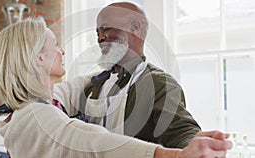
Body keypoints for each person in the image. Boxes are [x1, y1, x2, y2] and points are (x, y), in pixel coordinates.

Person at [0, 17, 232, 158]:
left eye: (106, 29)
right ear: (38, 59)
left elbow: (180, 127)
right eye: (54, 45)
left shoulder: (41, 101)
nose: (99, 38)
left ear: (135, 30)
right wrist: (174, 156)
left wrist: (117, 66)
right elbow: (92, 143)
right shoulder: (36, 113)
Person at [53, 2, 201, 148]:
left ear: (135, 27)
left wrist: (196, 146)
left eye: (106, 29)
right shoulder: (94, 84)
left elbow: (182, 130)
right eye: (97, 32)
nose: (100, 38)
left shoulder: (159, 84)